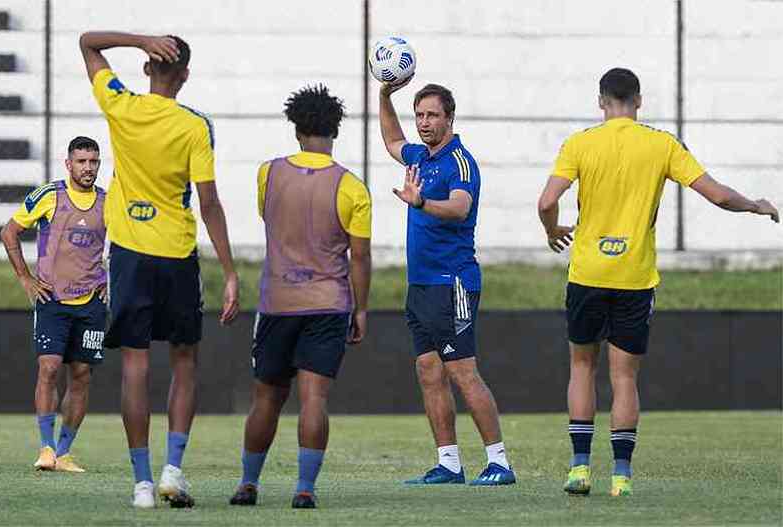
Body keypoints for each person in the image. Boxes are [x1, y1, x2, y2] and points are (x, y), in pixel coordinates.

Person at [538, 67, 780, 497]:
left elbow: (546, 202)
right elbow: (718, 195)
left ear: (600, 102)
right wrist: (755, 206)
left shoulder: (579, 143)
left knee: (581, 367)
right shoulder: (662, 144)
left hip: (588, 273)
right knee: (625, 379)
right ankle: (621, 477)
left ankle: (578, 469)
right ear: (639, 101)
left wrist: (553, 231)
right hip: (634, 277)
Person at [79, 31, 240, 508]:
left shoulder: (120, 105)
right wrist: (229, 271)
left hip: (129, 254)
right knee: (185, 361)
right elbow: (208, 201)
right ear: (185, 75)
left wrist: (139, 39)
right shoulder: (195, 126)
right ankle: (174, 468)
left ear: (148, 68)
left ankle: (142, 484)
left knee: (134, 364)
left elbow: (88, 43)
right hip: (176, 255)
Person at [227, 84, 372, 509]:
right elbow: (360, 257)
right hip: (328, 303)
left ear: (295, 129)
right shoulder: (351, 187)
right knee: (314, 399)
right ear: (336, 130)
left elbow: (269, 219)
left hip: (277, 303)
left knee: (266, 399)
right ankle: (304, 489)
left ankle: (247, 484)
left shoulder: (267, 173)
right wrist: (361, 308)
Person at [378, 80, 516, 486]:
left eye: (432, 115)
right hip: (420, 284)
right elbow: (390, 140)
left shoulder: (460, 161)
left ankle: (500, 462)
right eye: (419, 115)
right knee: (428, 369)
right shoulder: (419, 156)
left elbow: (460, 207)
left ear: (449, 117)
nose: (424, 122)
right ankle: (449, 463)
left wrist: (422, 202)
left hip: (452, 282)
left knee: (462, 371)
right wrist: (385, 96)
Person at [1, 136, 107, 474]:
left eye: (93, 161)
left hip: (91, 303)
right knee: (48, 368)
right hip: (52, 300)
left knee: (81, 376)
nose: (88, 168)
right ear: (68, 164)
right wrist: (25, 278)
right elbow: (9, 232)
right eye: (81, 161)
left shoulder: (109, 201)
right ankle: (45, 448)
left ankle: (64, 452)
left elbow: (126, 242)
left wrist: (111, 280)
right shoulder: (50, 195)